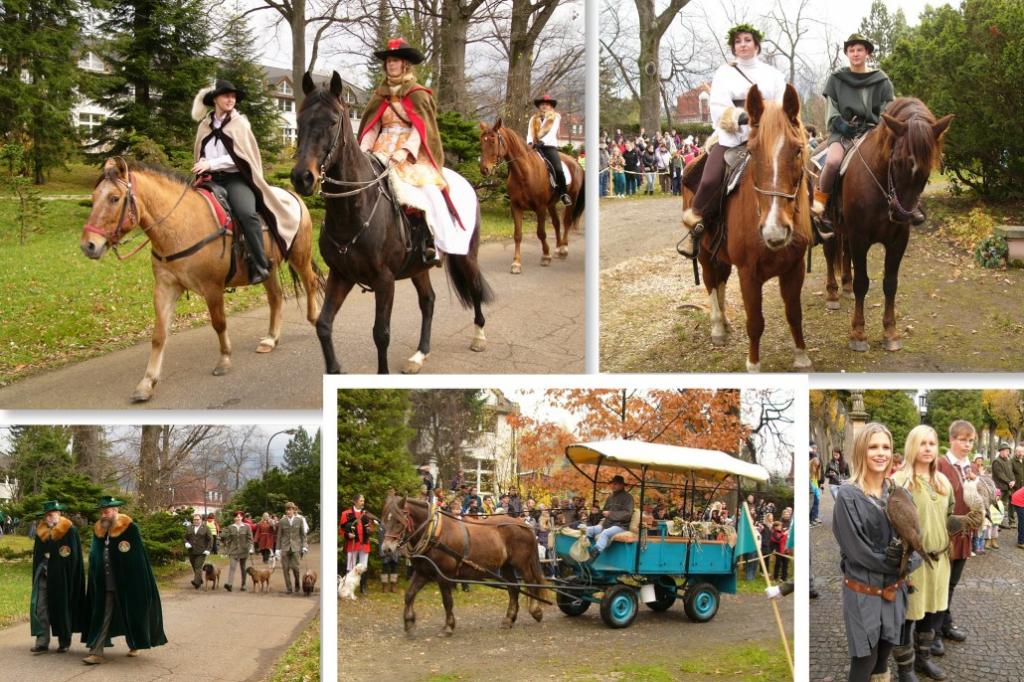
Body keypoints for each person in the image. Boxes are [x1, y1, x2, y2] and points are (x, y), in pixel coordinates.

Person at [680, 23, 786, 255]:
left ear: (756, 44)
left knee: (799, 171)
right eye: (738, 41)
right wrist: (743, 118)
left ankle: (813, 221)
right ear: (733, 47)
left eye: (747, 40)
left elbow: (782, 103)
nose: (743, 45)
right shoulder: (724, 73)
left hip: (767, 138)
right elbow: (719, 107)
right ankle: (695, 227)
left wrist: (769, 122)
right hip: (732, 137)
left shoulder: (774, 75)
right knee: (709, 179)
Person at [832, 424, 916, 682]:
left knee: (883, 656)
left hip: (894, 591)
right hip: (863, 593)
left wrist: (911, 560)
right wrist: (899, 565)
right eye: (873, 447)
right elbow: (858, 552)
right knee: (864, 659)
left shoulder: (900, 493)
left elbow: (915, 540)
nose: (881, 453)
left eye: (886, 447)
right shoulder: (848, 495)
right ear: (861, 451)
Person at [358, 37, 453, 264]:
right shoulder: (380, 94)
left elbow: (422, 129)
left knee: (428, 190)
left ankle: (432, 240)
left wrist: (406, 151)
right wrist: (361, 149)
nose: (391, 64)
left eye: (396, 60)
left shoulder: (418, 93)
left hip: (410, 152)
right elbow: (373, 127)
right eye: (389, 60)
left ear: (405, 64)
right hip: (380, 148)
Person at [192, 79, 294, 284]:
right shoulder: (204, 126)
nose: (231, 99)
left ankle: (259, 264)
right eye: (226, 95)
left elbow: (243, 157)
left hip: (236, 179)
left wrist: (211, 163)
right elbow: (201, 152)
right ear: (215, 100)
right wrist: (203, 161)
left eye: (233, 96)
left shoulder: (240, 124)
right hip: (211, 181)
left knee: (246, 214)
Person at [811, 35, 907, 231]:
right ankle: (821, 208)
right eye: (852, 50)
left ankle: (904, 205)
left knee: (897, 160)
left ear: (867, 53)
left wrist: (878, 124)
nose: (855, 53)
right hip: (843, 133)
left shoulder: (881, 79)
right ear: (847, 53)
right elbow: (832, 110)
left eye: (860, 50)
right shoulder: (837, 79)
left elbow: (888, 109)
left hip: (873, 133)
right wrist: (841, 125)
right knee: (832, 162)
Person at [890, 425, 956, 681]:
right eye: (922, 443)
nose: (928, 448)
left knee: (932, 611)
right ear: (911, 446)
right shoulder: (899, 482)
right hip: (913, 563)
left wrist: (967, 520)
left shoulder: (943, 482)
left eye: (932, 443)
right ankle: (905, 668)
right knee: (908, 616)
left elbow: (946, 517)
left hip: (939, 560)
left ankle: (923, 659)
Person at [83, 495, 166, 665]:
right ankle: (97, 652)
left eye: (107, 511)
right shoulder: (98, 530)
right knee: (102, 615)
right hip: (105, 582)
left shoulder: (129, 528)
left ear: (115, 511)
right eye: (102, 512)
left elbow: (137, 557)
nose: (104, 515)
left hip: (128, 582)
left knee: (131, 614)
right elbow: (95, 555)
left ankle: (135, 644)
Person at [933, 420, 984, 655]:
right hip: (944, 536)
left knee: (951, 584)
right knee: (939, 584)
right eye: (962, 439)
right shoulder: (940, 465)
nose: (967, 444)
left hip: (963, 536)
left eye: (970, 440)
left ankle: (944, 624)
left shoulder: (970, 468)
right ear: (952, 439)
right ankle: (930, 633)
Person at [30, 500, 87, 654]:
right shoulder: (41, 532)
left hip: (62, 578)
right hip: (43, 575)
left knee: (61, 608)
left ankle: (64, 641)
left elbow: (73, 557)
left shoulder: (69, 530)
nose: (49, 517)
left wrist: (65, 573)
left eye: (52, 514)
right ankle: (42, 641)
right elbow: (37, 555)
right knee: (41, 608)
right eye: (47, 515)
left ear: (59, 514)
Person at [526, 93, 571, 206]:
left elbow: (552, 133)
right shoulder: (533, 118)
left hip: (549, 147)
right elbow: (529, 133)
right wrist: (530, 142)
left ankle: (563, 193)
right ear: (539, 106)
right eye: (542, 104)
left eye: (547, 104)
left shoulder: (555, 117)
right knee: (520, 162)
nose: (544, 106)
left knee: (558, 169)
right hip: (534, 147)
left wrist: (542, 142)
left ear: (551, 106)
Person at [584, 475, 634, 559]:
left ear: (622, 485)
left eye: (616, 484)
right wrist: (597, 512)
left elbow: (628, 514)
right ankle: (585, 549)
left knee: (605, 533)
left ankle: (594, 553)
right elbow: (604, 512)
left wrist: (610, 514)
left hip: (620, 526)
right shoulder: (610, 497)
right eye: (612, 484)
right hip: (607, 524)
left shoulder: (628, 497)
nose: (613, 486)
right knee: (587, 529)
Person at [278, 501, 309, 595]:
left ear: (294, 510)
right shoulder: (282, 521)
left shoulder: (299, 520)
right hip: (285, 547)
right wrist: (277, 549)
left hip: (296, 547)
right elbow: (279, 536)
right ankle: (288, 588)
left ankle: (297, 584)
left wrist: (304, 546)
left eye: (290, 509)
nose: (289, 511)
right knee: (285, 568)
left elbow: (303, 535)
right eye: (287, 509)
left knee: (296, 568)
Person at [220, 510, 253, 592]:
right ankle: (229, 584)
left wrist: (250, 547)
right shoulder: (231, 527)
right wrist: (226, 550)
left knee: (243, 568)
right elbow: (228, 540)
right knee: (232, 567)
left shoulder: (247, 527)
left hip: (244, 550)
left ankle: (244, 585)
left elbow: (250, 539)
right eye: (236, 517)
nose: (237, 518)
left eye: (239, 516)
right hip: (233, 550)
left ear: (242, 517)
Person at [184, 512, 212, 589]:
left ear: (201, 520)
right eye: (194, 519)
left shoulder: (206, 528)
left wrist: (208, 549)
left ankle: (196, 582)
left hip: (201, 551)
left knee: (198, 566)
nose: (196, 521)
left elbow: (210, 539)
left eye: (197, 519)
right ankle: (200, 579)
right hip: (191, 551)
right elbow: (185, 537)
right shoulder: (189, 528)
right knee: (194, 566)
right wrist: (186, 543)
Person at [991, 443, 1014, 529]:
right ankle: (995, 525)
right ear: (1001, 451)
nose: (1007, 452)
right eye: (1005, 451)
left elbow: (1011, 472)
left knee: (1003, 505)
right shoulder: (997, 461)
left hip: (1006, 487)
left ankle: (1000, 522)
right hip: (998, 488)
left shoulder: (1008, 460)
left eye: (1008, 451)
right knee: (996, 504)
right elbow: (1000, 474)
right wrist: (1009, 481)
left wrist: (1013, 480)